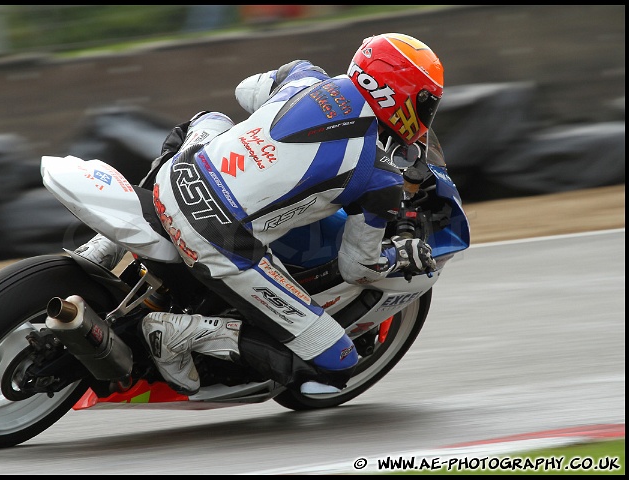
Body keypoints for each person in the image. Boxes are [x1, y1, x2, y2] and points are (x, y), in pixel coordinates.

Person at [76, 33, 441, 395]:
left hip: (175, 180)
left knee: (210, 119)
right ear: (404, 97)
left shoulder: (305, 75)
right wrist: (399, 255)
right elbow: (357, 269)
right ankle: (174, 333)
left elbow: (243, 91)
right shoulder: (380, 177)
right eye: (427, 105)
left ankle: (106, 241)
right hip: (220, 239)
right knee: (337, 361)